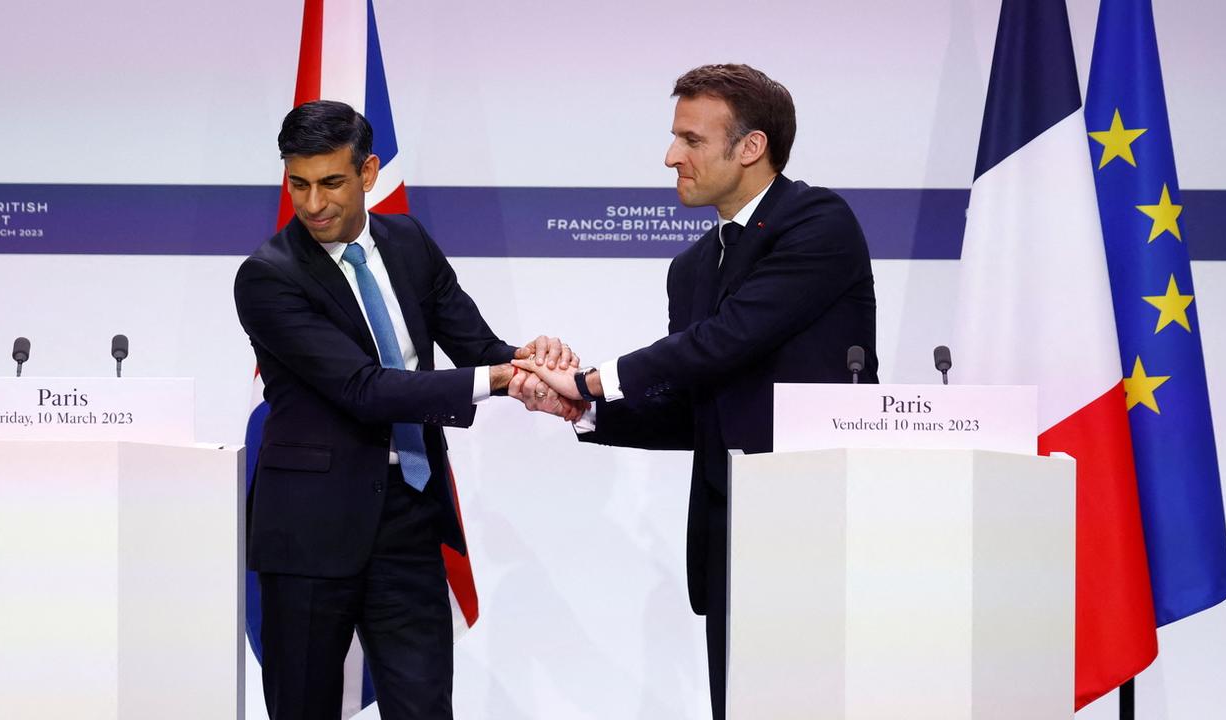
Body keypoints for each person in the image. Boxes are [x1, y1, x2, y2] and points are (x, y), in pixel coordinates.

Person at [516, 64, 879, 719]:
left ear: (750, 147)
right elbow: (693, 408)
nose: (670, 157)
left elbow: (729, 338)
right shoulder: (690, 269)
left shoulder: (818, 222)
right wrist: (585, 408)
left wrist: (592, 375)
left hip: (818, 529)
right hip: (731, 534)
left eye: (690, 140)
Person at [234, 100, 580, 720]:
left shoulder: (409, 241)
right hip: (311, 531)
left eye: (331, 182)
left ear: (368, 173)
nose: (313, 203)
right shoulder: (267, 277)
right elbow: (364, 389)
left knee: (424, 710)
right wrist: (501, 379)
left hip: (409, 518)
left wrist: (535, 363)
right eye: (298, 184)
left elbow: (478, 348)